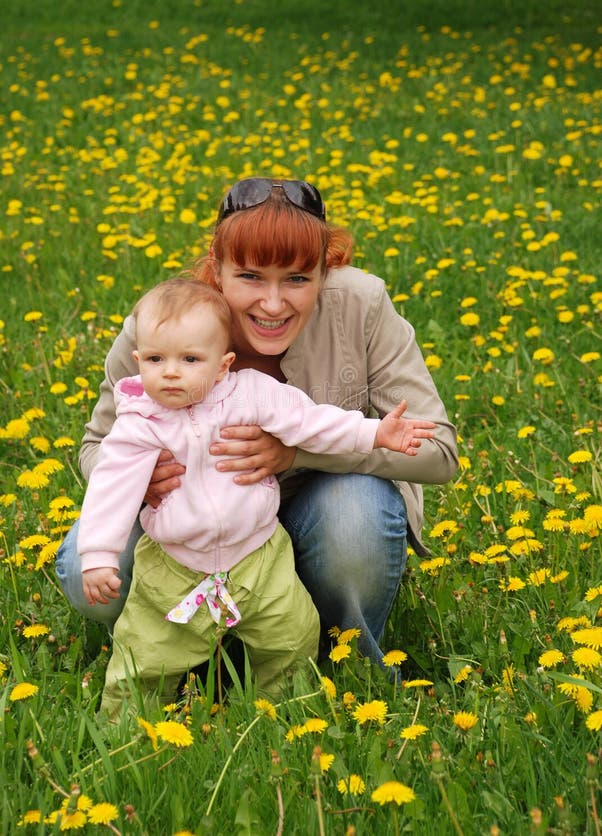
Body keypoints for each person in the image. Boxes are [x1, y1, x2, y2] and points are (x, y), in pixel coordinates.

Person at [57, 176, 458, 674]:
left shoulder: (363, 304)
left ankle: (341, 663)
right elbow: (96, 445)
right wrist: (142, 481)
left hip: (322, 512)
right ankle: (192, 651)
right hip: (190, 529)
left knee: (355, 513)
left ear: (324, 271)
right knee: (87, 566)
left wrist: (297, 454)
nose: (272, 304)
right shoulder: (165, 320)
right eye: (250, 277)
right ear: (217, 268)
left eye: (296, 279)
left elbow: (439, 452)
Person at [76, 276, 436, 716]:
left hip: (259, 556)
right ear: (138, 361)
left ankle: (288, 710)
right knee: (147, 651)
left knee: (289, 636)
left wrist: (374, 432)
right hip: (174, 563)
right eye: (156, 359)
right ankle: (124, 727)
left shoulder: (250, 394)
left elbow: (314, 422)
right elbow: (109, 489)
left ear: (223, 364)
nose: (171, 371)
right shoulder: (138, 423)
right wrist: (97, 555)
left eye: (190, 359)